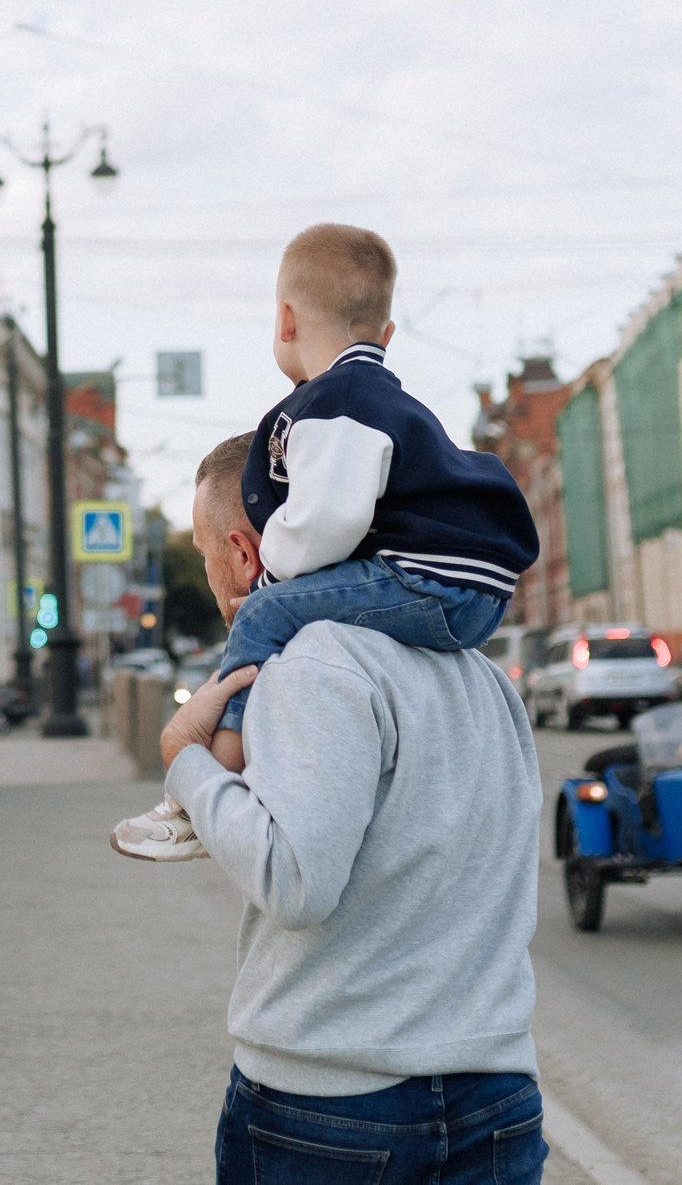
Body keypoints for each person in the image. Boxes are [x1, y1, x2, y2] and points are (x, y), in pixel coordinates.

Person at [160, 437, 547, 1184]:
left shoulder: (313, 660)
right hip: (496, 1092)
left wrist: (187, 762)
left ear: (243, 554)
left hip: (333, 1101)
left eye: (209, 554)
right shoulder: (482, 675)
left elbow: (295, 880)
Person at [114, 224, 539, 860]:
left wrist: (271, 575)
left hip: (426, 580)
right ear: (387, 333)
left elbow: (324, 523)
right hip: (474, 594)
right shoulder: (390, 398)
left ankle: (205, 792)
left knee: (264, 612)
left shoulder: (335, 397)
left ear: (284, 318)